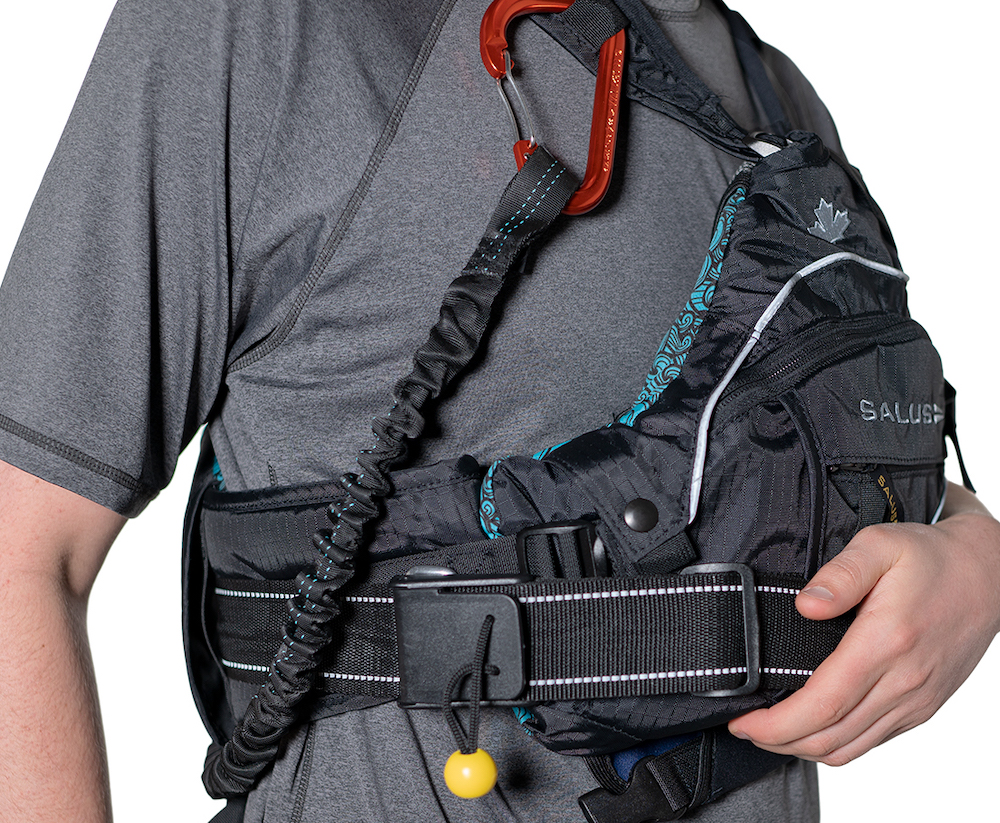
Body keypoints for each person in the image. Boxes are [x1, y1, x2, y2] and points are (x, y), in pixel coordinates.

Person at [1, 1, 997, 822]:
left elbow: (776, 461)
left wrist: (973, 550)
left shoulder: (782, 100)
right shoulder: (269, 24)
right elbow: (21, 553)